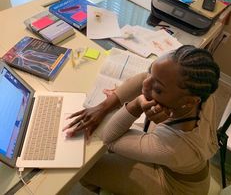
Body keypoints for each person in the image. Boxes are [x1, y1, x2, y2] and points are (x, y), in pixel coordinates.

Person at [63, 45, 220, 195]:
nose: (146, 83)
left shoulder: (172, 147)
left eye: (158, 89)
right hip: (181, 166)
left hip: (173, 187)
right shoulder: (201, 92)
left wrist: (136, 105)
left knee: (85, 168)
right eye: (151, 72)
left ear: (190, 101)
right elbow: (143, 79)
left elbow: (109, 139)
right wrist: (103, 106)